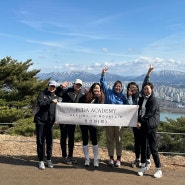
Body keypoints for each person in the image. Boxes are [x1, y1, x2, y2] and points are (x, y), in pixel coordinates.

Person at [100, 67, 128, 167]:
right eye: (116, 86)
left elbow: (128, 108)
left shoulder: (123, 97)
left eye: (120, 87)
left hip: (119, 122)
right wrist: (103, 74)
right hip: (109, 120)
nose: (118, 88)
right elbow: (103, 84)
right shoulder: (109, 93)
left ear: (122, 88)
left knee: (119, 140)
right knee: (110, 139)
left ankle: (119, 159)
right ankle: (111, 158)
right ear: (114, 86)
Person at [127, 65, 153, 169]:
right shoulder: (130, 97)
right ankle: (137, 158)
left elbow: (146, 83)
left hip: (144, 122)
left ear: (138, 88)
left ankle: (147, 160)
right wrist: (129, 96)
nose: (132, 89)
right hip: (135, 122)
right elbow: (130, 108)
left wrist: (148, 72)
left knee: (145, 142)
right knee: (137, 141)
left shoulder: (141, 94)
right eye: (130, 88)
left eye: (134, 87)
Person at [137, 82, 162, 178]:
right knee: (143, 147)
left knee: (153, 147)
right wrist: (139, 120)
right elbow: (140, 111)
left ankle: (159, 169)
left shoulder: (153, 100)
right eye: (144, 89)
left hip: (150, 127)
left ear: (152, 89)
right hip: (143, 126)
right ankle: (143, 166)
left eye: (147, 89)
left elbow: (149, 113)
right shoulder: (143, 99)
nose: (146, 90)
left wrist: (140, 121)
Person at [55, 79, 84, 165]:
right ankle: (64, 156)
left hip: (73, 119)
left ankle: (70, 156)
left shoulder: (81, 94)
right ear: (74, 84)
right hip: (64, 118)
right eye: (77, 84)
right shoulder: (67, 91)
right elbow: (57, 92)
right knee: (63, 136)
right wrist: (61, 86)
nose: (78, 86)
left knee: (71, 137)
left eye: (79, 85)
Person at [34, 80, 59, 170]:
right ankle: (41, 160)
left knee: (49, 141)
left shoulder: (56, 96)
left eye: (54, 87)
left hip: (50, 122)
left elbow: (56, 110)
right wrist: (51, 101)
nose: (52, 88)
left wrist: (57, 119)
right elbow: (41, 103)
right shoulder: (42, 94)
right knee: (40, 140)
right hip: (40, 120)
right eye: (51, 86)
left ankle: (48, 159)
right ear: (48, 86)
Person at [79, 83, 105, 167]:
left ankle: (96, 159)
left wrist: (98, 97)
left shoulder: (101, 98)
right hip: (84, 121)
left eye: (98, 88)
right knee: (85, 138)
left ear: (100, 90)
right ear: (92, 89)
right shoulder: (85, 97)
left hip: (93, 122)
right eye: (95, 88)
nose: (96, 90)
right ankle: (87, 158)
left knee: (94, 139)